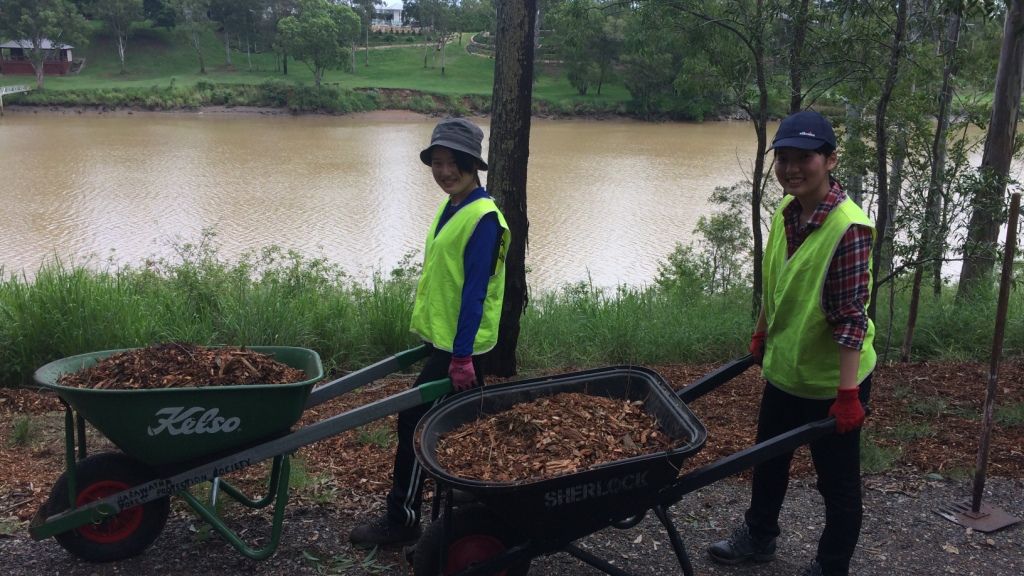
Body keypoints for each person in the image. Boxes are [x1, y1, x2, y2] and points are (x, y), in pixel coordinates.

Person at [707, 110, 875, 576]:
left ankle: (831, 565)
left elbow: (850, 320)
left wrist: (847, 397)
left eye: (805, 158)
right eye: (784, 158)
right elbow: (776, 282)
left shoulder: (849, 229)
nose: (792, 168)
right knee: (769, 462)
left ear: (830, 160)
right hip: (787, 370)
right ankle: (759, 537)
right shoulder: (787, 209)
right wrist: (762, 330)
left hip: (830, 383)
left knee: (837, 485)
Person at [349, 117, 509, 548]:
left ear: (472, 164)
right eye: (437, 163)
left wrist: (459, 357)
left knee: (415, 424)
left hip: (463, 348)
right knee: (464, 428)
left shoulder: (484, 218)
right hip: (447, 341)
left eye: (453, 162)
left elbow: (474, 292)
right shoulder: (452, 205)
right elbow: (447, 280)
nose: (444, 172)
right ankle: (480, 509)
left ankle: (403, 521)